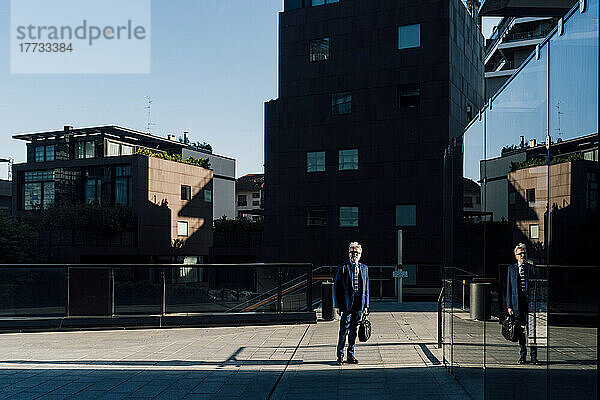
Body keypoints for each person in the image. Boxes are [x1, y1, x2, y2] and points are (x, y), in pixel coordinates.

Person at [334, 241, 369, 365]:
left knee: (354, 331)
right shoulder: (343, 268)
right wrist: (337, 305)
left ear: (360, 254)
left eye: (357, 253)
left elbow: (366, 289)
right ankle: (340, 356)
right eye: (352, 252)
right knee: (344, 330)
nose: (355, 254)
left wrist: (366, 305)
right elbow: (337, 288)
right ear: (349, 253)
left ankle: (351, 355)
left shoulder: (364, 268)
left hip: (359, 304)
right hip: (347, 304)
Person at [506, 243, 538, 364]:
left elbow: (536, 286)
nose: (522, 256)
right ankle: (523, 355)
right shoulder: (511, 269)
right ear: (516, 256)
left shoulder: (531, 268)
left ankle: (534, 356)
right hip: (516, 304)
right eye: (520, 254)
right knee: (520, 331)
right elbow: (508, 288)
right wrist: (509, 305)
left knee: (532, 331)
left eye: (524, 253)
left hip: (529, 303)